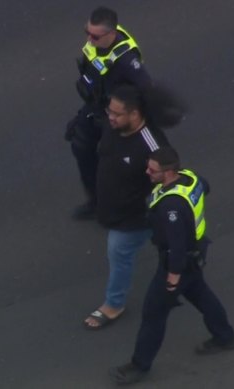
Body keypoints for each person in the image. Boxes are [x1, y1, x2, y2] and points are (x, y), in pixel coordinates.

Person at [109, 146, 234, 385]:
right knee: (201, 295)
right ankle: (225, 336)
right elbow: (205, 187)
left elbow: (176, 245)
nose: (147, 172)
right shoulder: (190, 178)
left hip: (177, 262)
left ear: (169, 172)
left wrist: (173, 276)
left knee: (153, 313)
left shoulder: (172, 208)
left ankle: (139, 365)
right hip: (195, 252)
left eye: (153, 170)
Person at [83, 85, 171, 330]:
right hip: (112, 210)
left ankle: (114, 304)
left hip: (134, 218)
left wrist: (151, 214)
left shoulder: (152, 145)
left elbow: (167, 183)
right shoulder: (113, 127)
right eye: (109, 111)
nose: (110, 117)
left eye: (117, 113)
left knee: (119, 253)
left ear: (134, 114)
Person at [66, 6, 152, 220]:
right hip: (95, 106)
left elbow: (145, 88)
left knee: (114, 162)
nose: (89, 38)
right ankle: (95, 202)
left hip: (115, 115)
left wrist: (130, 118)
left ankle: (130, 206)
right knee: (81, 147)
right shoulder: (98, 40)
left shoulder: (126, 59)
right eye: (87, 32)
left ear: (111, 34)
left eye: (95, 35)